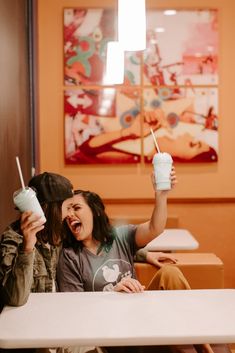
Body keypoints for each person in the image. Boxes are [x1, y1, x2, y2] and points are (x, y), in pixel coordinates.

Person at [0, 172, 74, 353]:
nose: (71, 213)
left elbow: (97, 238)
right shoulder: (13, 240)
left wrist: (140, 254)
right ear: (53, 208)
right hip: (28, 335)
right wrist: (28, 246)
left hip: (54, 322)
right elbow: (15, 299)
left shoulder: (56, 234)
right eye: (68, 207)